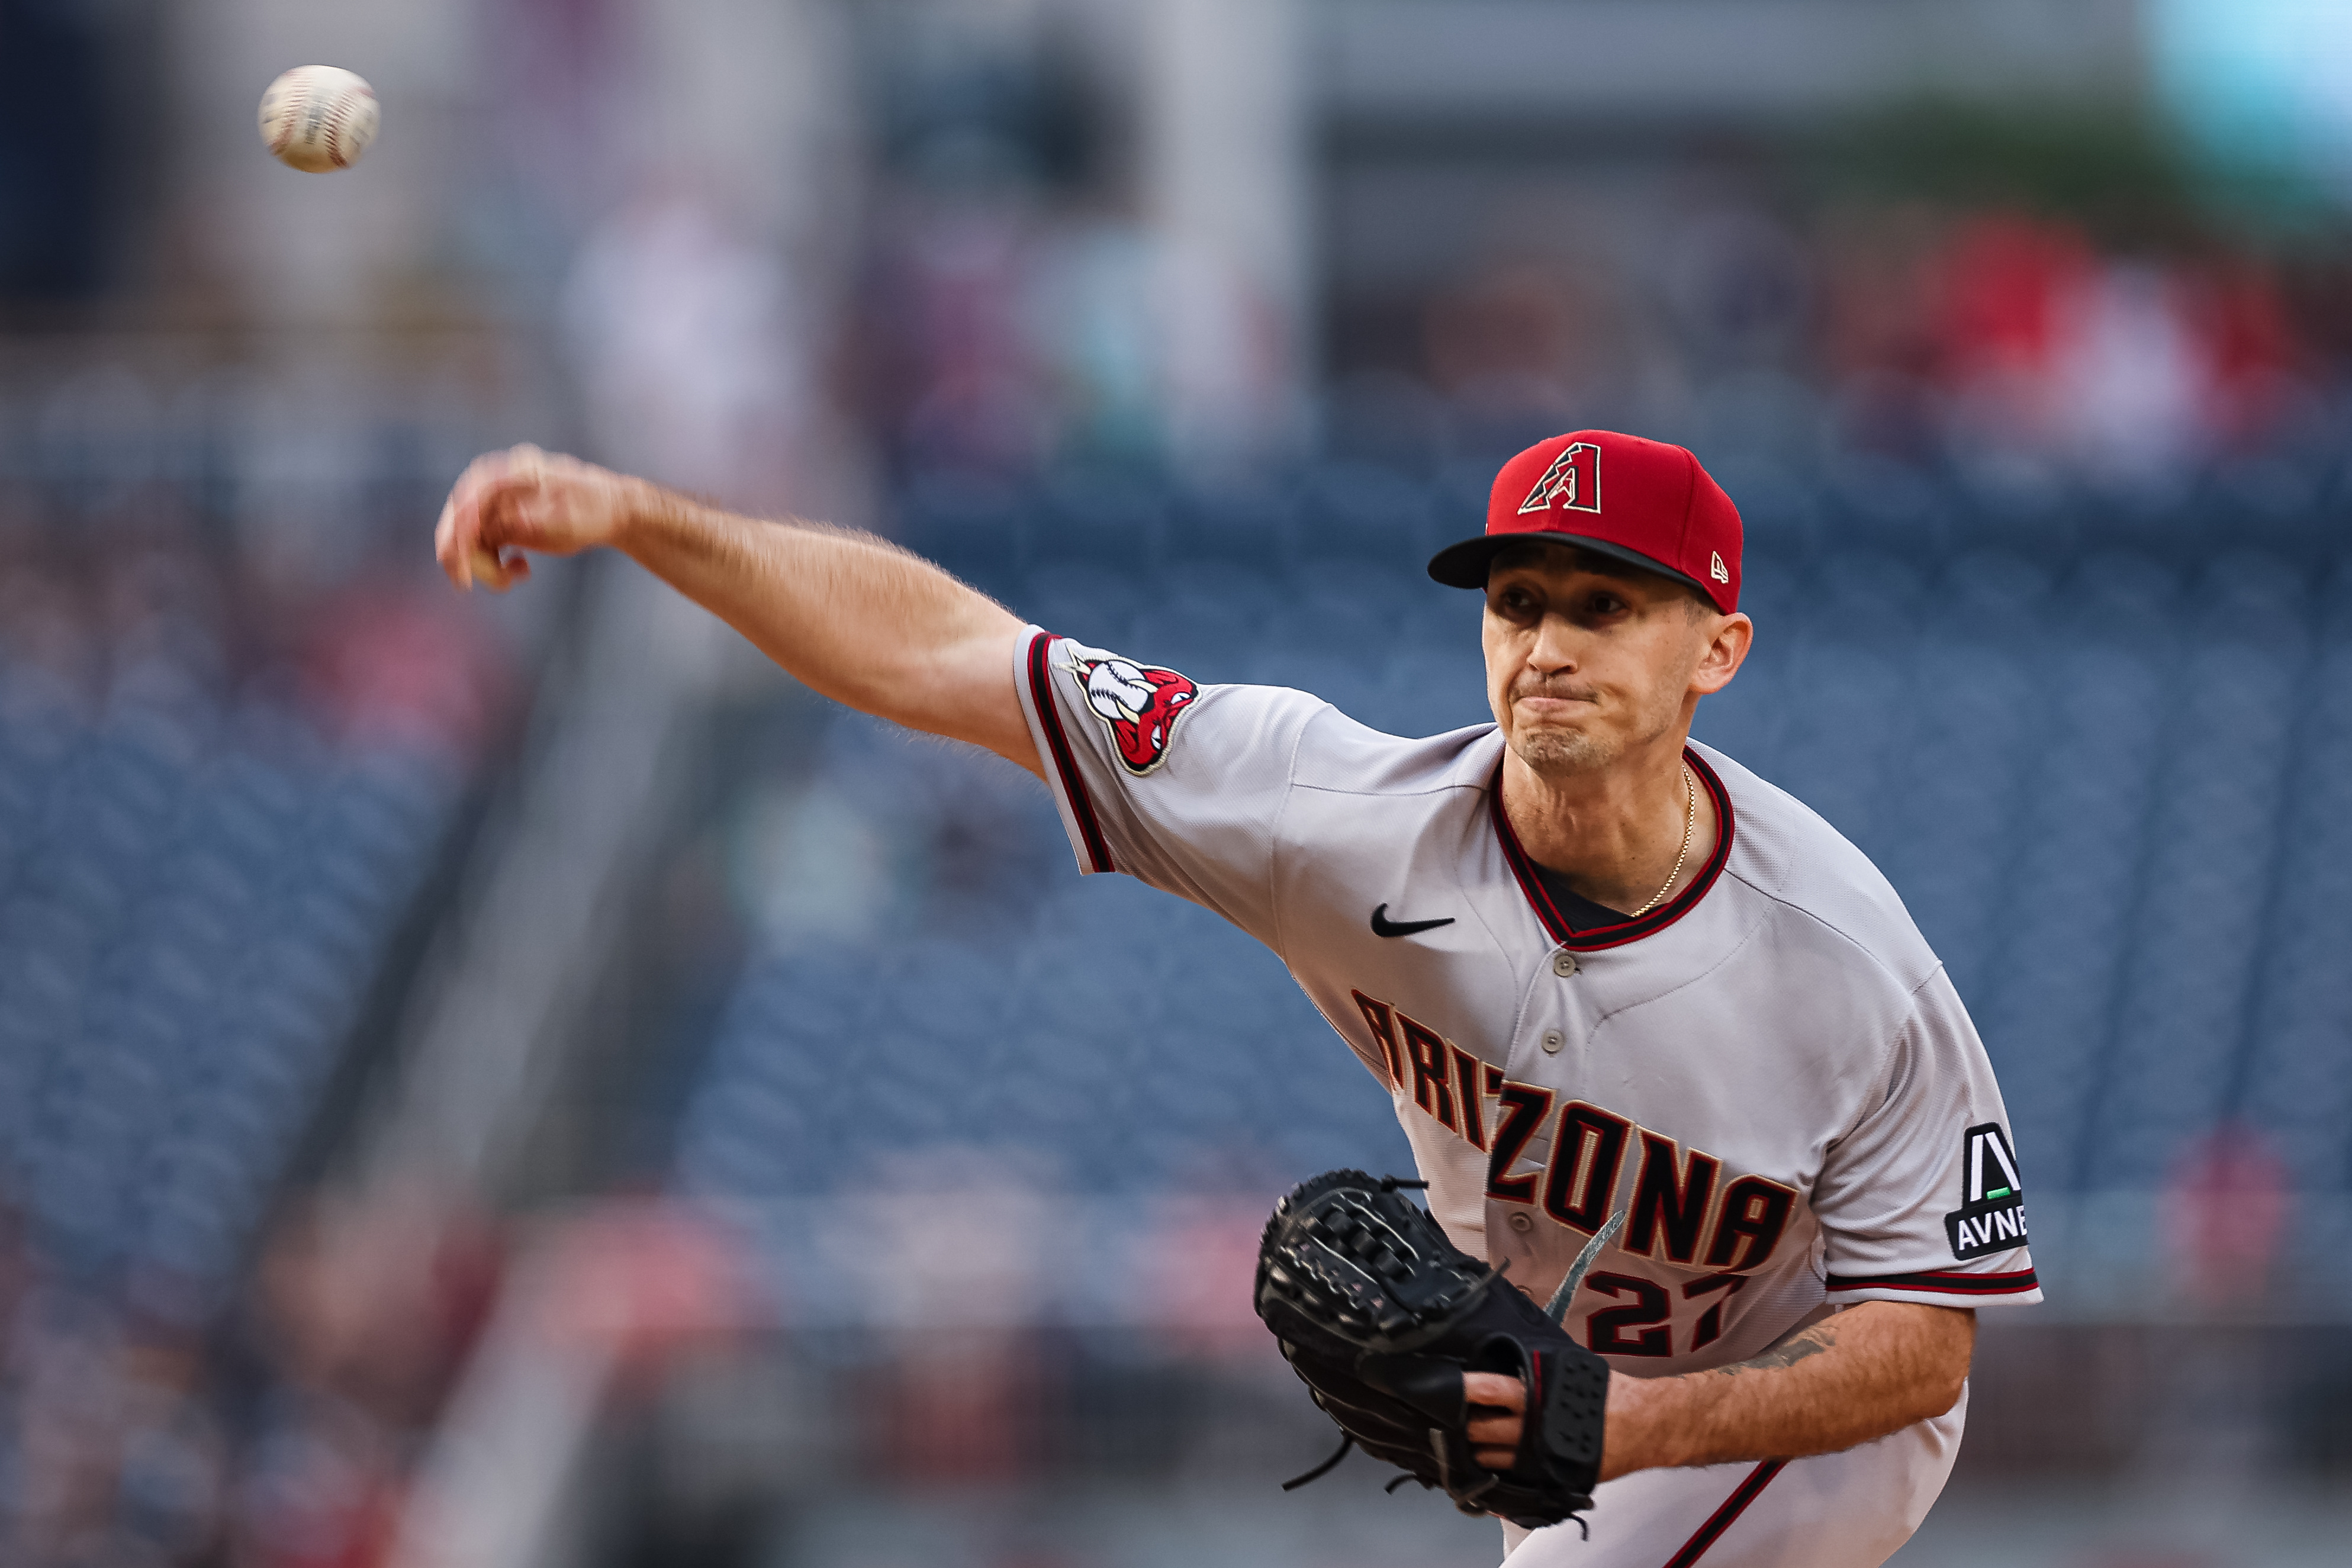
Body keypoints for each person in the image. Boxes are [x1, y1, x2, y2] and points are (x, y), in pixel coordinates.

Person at [433, 430, 2039, 1567]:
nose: (1546, 640)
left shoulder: (1847, 963)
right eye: (1517, 600)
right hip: (1571, 1391)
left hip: (1801, 1406)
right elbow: (952, 658)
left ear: (1720, 650)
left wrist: (1627, 1425)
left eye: (1604, 604)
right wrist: (649, 519)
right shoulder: (1326, 813)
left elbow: (1923, 1352)